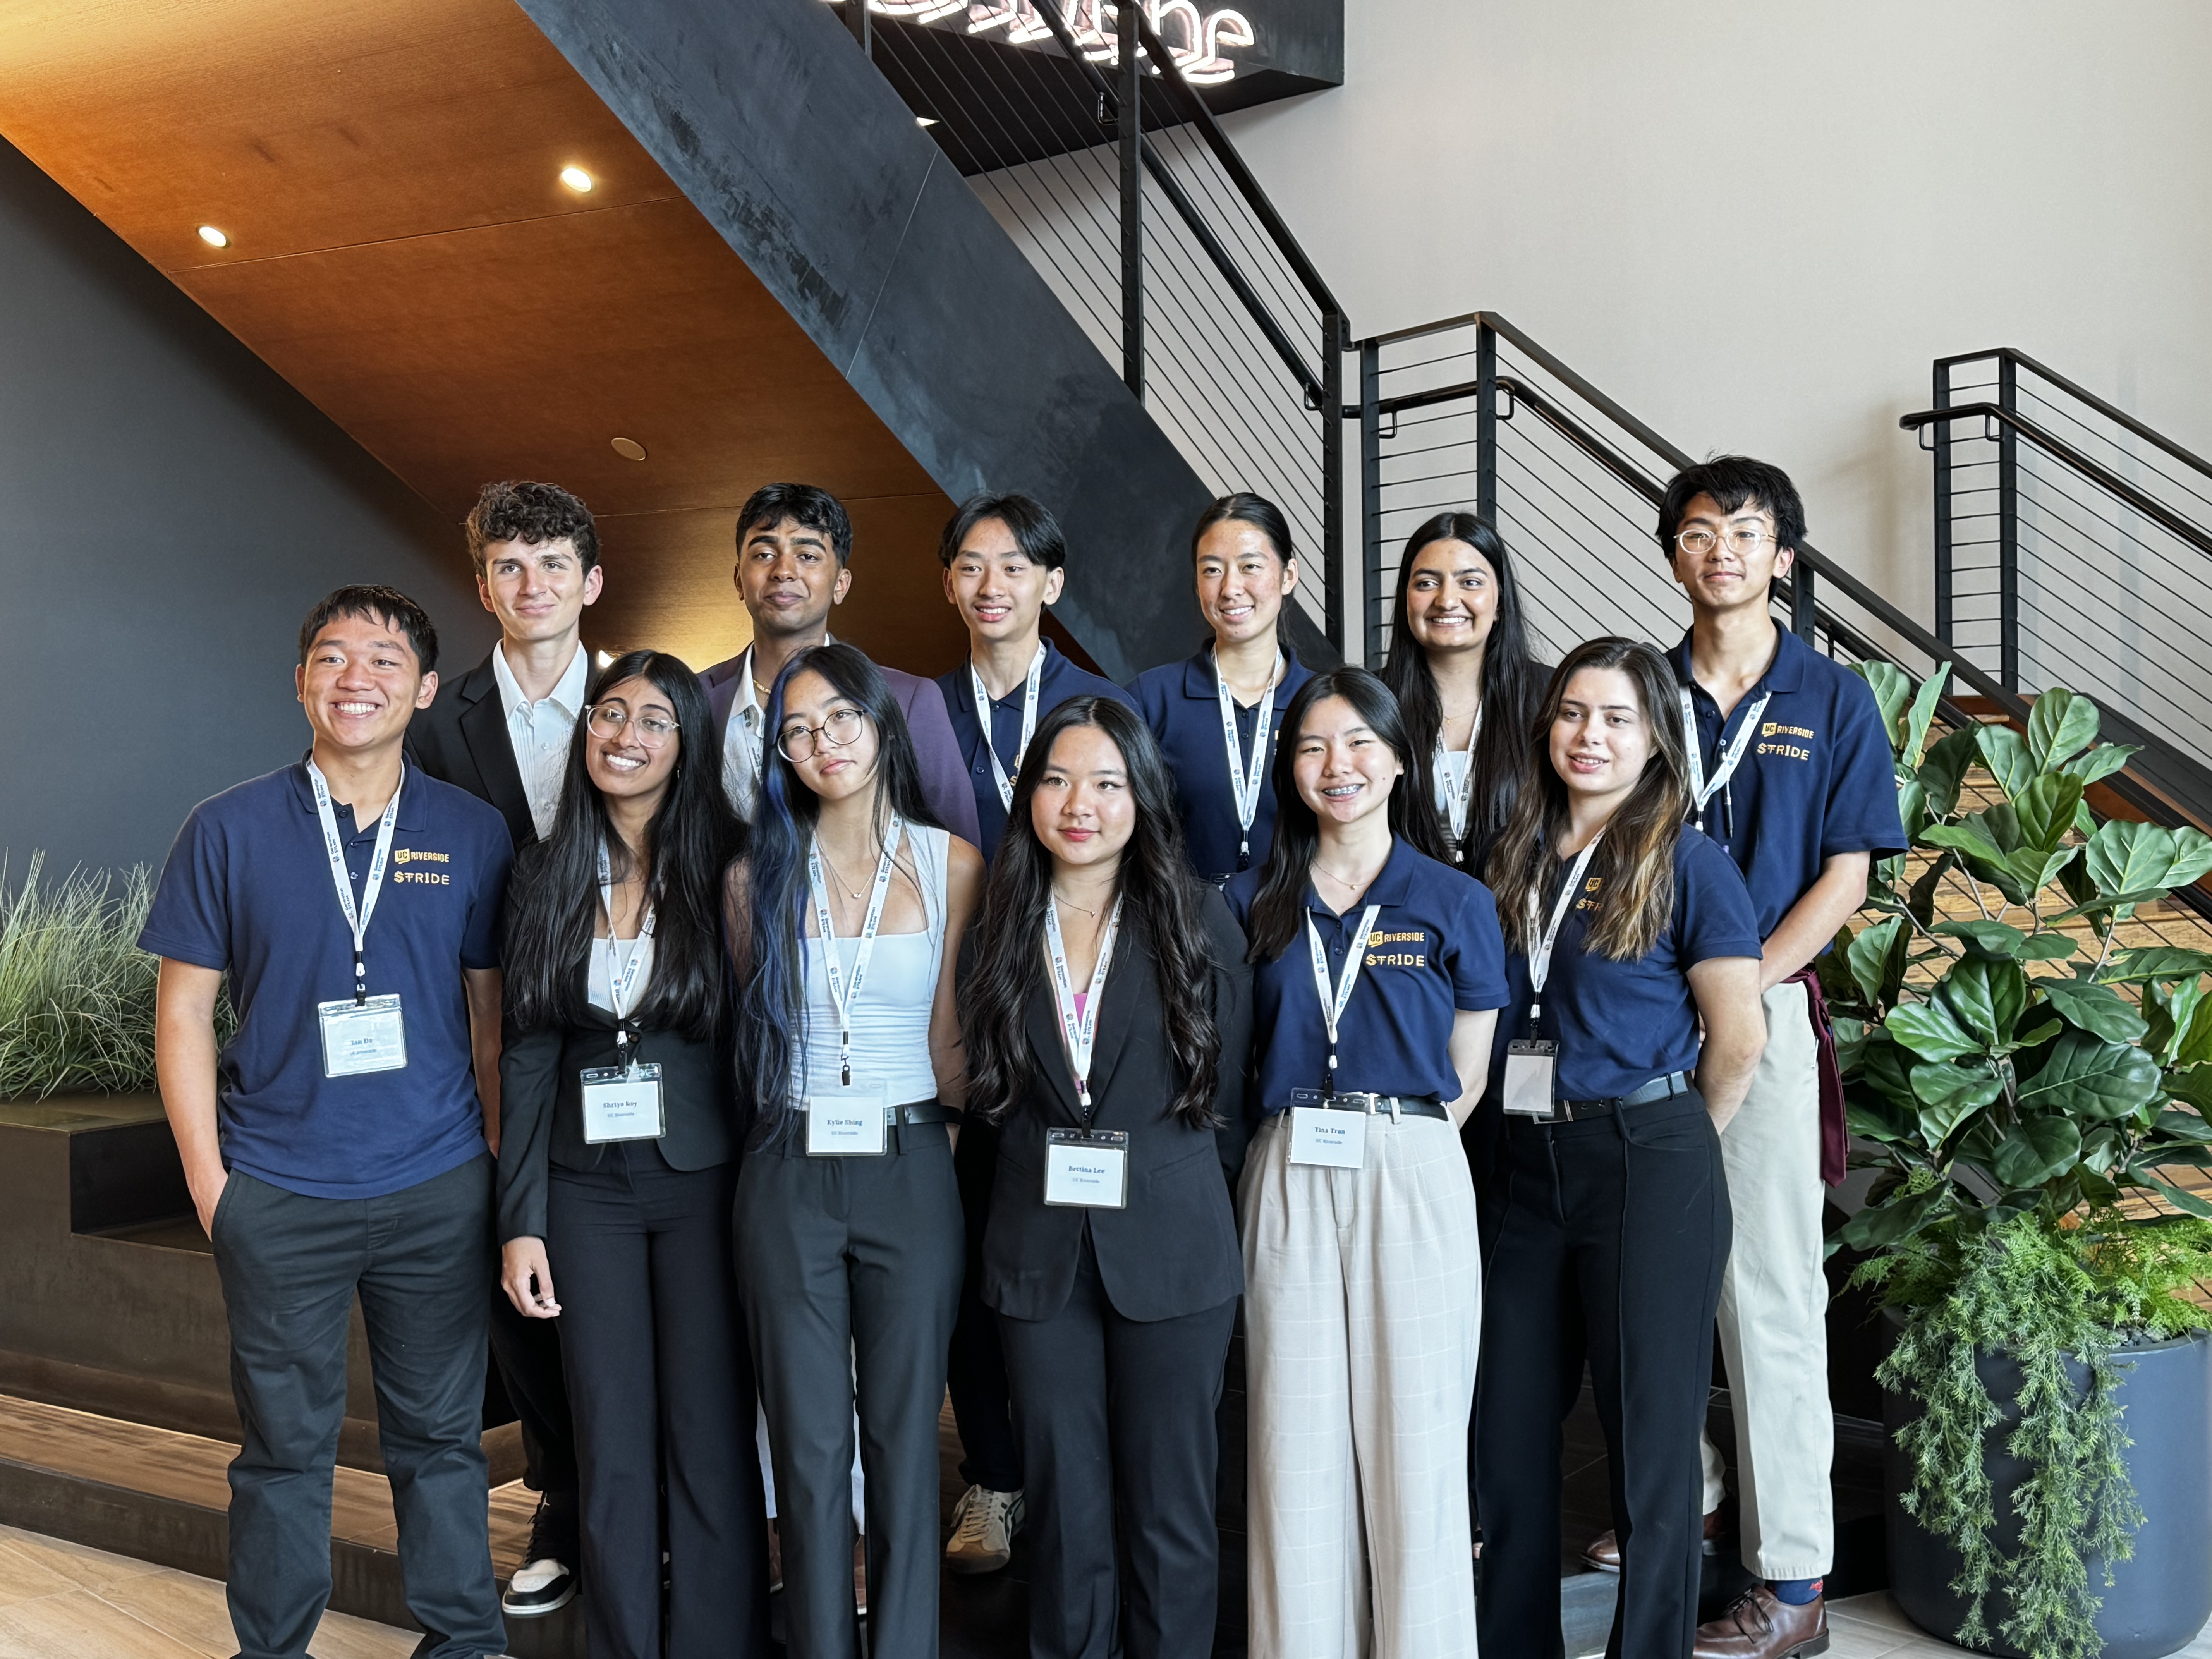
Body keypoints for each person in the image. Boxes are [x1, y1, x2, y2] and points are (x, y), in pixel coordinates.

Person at [143, 586, 511, 1659]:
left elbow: (489, 1017)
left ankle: (465, 1641)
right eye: (335, 658)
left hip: (436, 1185)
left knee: (442, 1439)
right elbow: (183, 1013)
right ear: (300, 680)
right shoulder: (226, 827)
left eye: (386, 660)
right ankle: (273, 1648)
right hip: (279, 1189)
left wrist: (490, 1165)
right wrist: (213, 1185)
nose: (359, 678)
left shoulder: (471, 830)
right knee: (282, 1449)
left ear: (426, 690)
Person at [1649, 458, 1903, 1659]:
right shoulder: (1640, 690)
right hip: (1644, 1021)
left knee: (1769, 1294)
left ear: (1783, 559)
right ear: (1674, 554)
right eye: (1700, 532)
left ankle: (1792, 1580)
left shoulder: (1831, 697)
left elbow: (1847, 876)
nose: (1722, 551)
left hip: (1767, 1011)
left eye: (1746, 533)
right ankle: (1686, 1496)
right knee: (1647, 1276)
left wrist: (1739, 989)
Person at [1473, 637, 1766, 1659]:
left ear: (1656, 741)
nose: (1589, 736)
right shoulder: (1511, 851)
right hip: (1518, 1163)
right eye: (1572, 714)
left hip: (1645, 1157)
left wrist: (1668, 1142)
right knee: (1507, 1431)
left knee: (1649, 1443)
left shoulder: (1689, 861)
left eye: (1616, 719)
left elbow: (1738, 1040)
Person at [960, 696, 1252, 1659]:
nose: (1078, 803)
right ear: (1029, 798)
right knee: (1065, 1505)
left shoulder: (1196, 919)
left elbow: (1227, 1103)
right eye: (1055, 780)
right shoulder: (999, 924)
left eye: (1105, 782)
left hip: (1172, 1249)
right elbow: (993, 1096)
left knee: (1171, 1507)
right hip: (1038, 1254)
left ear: (1142, 796)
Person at [1225, 666, 1507, 1659]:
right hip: (1288, 1165)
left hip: (1412, 1164)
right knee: (1292, 1441)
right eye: (1312, 747)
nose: (1336, 765)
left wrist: (1398, 1142)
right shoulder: (1251, 899)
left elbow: (1470, 1070)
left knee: (1417, 1442)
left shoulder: (1456, 900)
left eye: (1358, 744)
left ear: (1398, 761)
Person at [494, 650, 772, 1659]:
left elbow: (758, 1041)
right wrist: (521, 1219)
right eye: (611, 714)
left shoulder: (731, 864)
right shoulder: (545, 869)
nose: (627, 735)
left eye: (656, 720)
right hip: (584, 1194)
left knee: (708, 1429)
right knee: (607, 1432)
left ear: (687, 744)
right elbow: (527, 1050)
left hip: (705, 1183)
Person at [729, 642, 983, 1659]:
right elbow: (753, 1034)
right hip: (787, 1163)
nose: (822, 742)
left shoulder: (952, 864)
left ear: (879, 723)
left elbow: (953, 1041)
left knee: (903, 1435)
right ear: (780, 754)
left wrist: (936, 1161)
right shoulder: (753, 876)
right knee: (806, 1439)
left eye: (839, 718)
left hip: (910, 1155)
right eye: (797, 730)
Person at [931, 489, 1136, 1575]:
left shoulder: (1103, 707)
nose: (992, 585)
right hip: (960, 1015)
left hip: (1079, 1014)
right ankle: (996, 1475)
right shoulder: (919, 708)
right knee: (973, 1257)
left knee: (1083, 1254)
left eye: (1015, 566)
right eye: (972, 564)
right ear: (948, 582)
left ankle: (1090, 1475)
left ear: (1052, 584)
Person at [405, 478, 592, 1616]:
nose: (533, 586)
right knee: (516, 1284)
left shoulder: (648, 702)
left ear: (591, 581)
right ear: (483, 586)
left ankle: (654, 1498)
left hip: (630, 1052)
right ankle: (560, 1500)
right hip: (487, 1041)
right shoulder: (434, 727)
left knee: (634, 1282)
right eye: (509, 567)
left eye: (553, 564)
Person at [701, 481, 979, 844]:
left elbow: (959, 853)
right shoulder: (693, 700)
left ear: (841, 584)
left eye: (808, 556)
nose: (784, 571)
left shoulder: (910, 700)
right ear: (740, 580)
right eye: (765, 554)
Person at [1130, 493, 1315, 885]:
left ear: (1288, 576)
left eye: (1250, 567)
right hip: (1183, 919)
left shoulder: (1324, 703)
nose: (1230, 588)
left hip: (1301, 917)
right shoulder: (1150, 699)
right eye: (1212, 570)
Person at [1377, 511, 1545, 874]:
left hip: (1522, 904)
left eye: (1470, 582)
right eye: (1426, 583)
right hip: (1400, 906)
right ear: (1406, 598)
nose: (1447, 600)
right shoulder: (1370, 702)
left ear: (1500, 602)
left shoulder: (1551, 698)